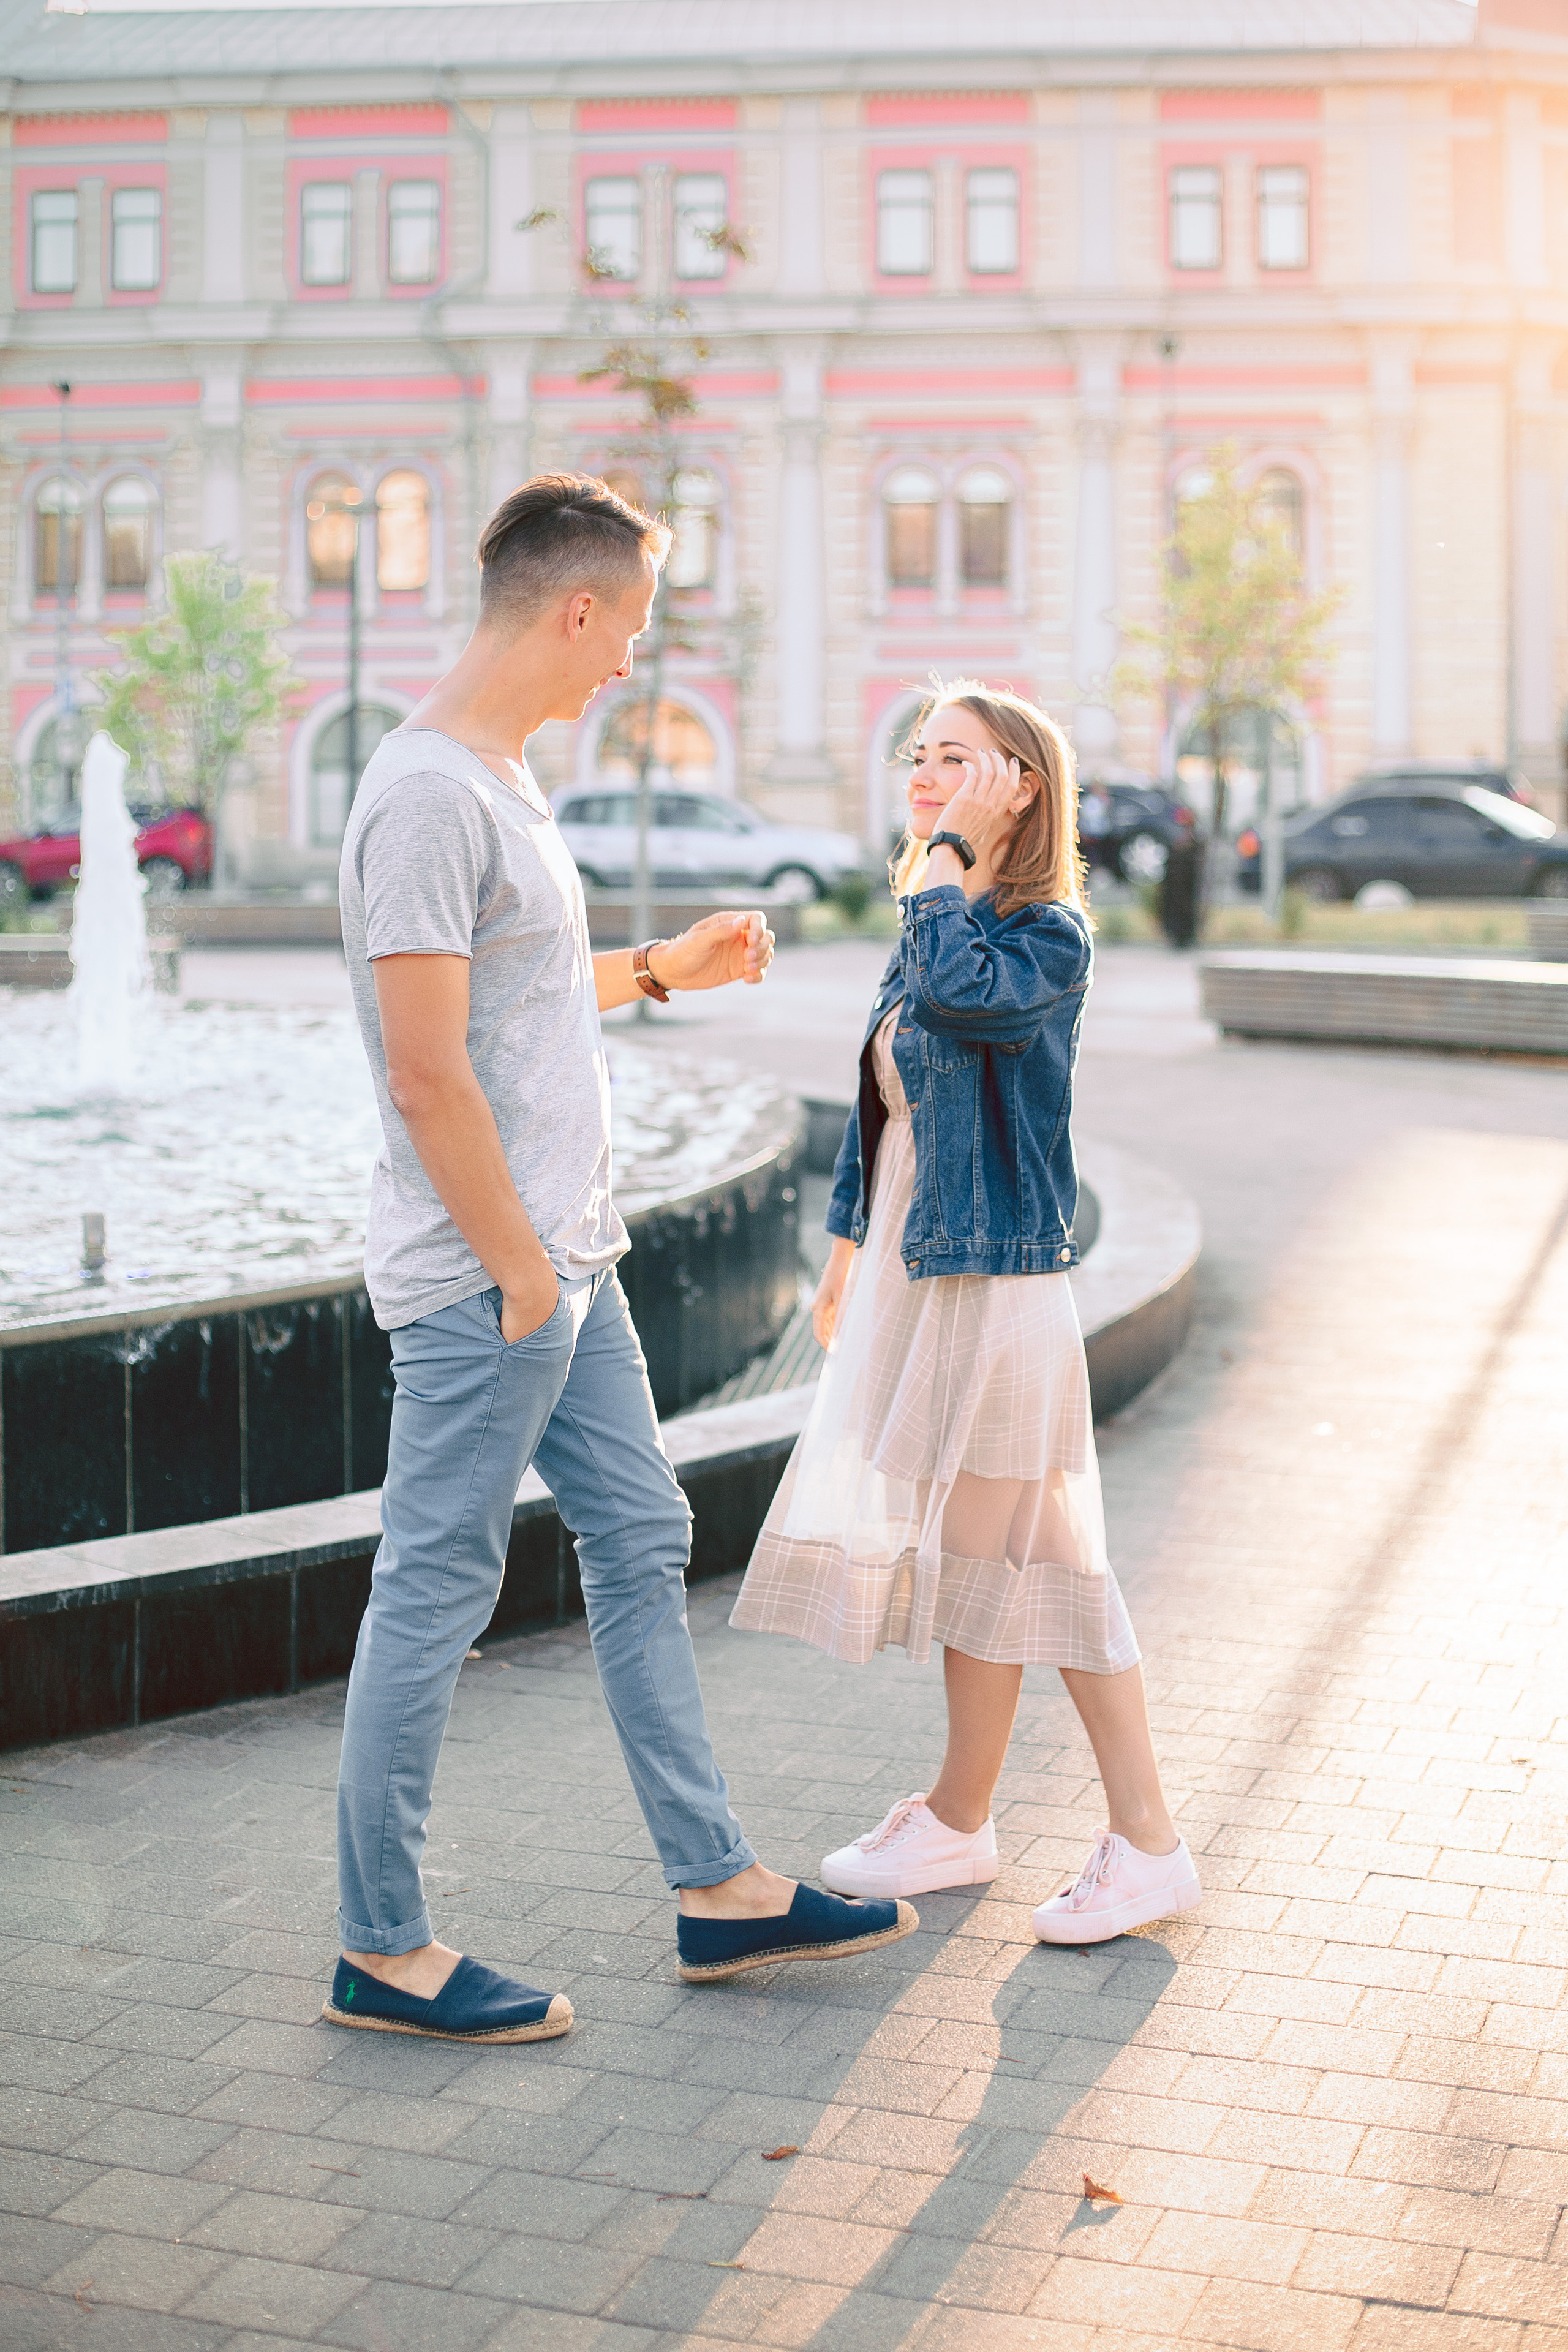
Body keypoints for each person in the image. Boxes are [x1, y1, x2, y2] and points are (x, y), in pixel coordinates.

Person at [325, 474, 916, 2046]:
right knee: (433, 1588)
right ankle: (379, 1948)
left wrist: (659, 969)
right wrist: (519, 1272)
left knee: (640, 1537)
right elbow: (427, 1070)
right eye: (633, 628)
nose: (630, 663)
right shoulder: (429, 794)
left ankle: (715, 1890)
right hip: (489, 1282)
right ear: (576, 608)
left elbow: (509, 998)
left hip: (563, 1267)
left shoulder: (498, 780)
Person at [731, 682, 1201, 1946]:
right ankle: (971, 1819)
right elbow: (875, 1105)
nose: (927, 777)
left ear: (1022, 785)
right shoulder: (930, 916)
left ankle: (1122, 1839)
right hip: (916, 1274)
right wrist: (840, 1259)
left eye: (958, 760)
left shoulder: (1038, 933)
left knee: (1019, 1560)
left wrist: (943, 870)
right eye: (918, 758)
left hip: (994, 1289)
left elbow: (960, 1005)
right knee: (1003, 1558)